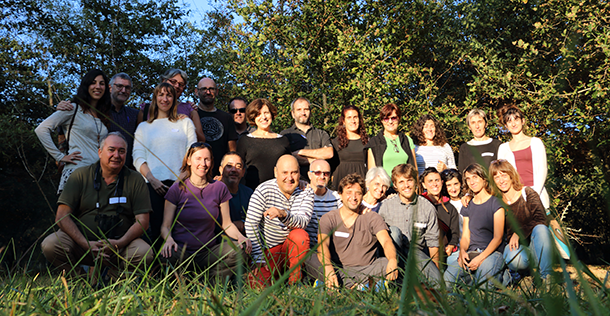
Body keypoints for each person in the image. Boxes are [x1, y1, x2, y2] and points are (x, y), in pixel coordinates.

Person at [41, 132, 152, 277]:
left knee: (145, 253)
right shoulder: (80, 175)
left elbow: (143, 221)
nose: (116, 155)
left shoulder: (135, 179)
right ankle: (79, 280)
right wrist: (85, 243)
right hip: (83, 244)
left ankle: (115, 282)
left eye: (122, 151)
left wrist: (119, 243)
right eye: (111, 150)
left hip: (120, 246)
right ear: (100, 152)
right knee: (50, 244)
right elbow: (61, 216)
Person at [160, 143, 251, 279]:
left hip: (208, 253)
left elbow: (227, 224)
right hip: (182, 252)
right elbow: (165, 226)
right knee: (166, 254)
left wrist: (240, 237)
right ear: (189, 161)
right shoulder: (177, 188)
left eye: (207, 159)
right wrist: (168, 240)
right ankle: (183, 283)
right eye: (198, 158)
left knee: (239, 251)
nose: (203, 163)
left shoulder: (219, 188)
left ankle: (211, 281)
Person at [133, 83, 197, 244]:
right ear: (155, 98)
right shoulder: (144, 127)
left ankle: (181, 268)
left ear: (174, 99)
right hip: (153, 186)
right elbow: (138, 156)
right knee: (155, 232)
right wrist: (152, 180)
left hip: (181, 185)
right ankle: (156, 268)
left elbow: (193, 153)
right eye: (161, 94)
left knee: (181, 231)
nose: (165, 99)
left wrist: (180, 180)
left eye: (169, 95)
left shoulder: (185, 123)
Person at [312, 173, 398, 289]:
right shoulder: (328, 218)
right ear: (340, 195)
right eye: (349, 192)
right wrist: (328, 267)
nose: (353, 197)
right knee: (310, 259)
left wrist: (392, 260)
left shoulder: (372, 217)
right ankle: (366, 285)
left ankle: (336, 283)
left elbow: (386, 241)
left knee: (388, 262)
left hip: (367, 268)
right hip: (337, 267)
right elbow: (323, 245)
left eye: (358, 193)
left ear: (363, 196)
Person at [35, 69, 110, 194]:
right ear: (86, 85)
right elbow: (41, 129)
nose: (98, 86)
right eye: (93, 82)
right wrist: (60, 157)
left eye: (101, 83)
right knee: (69, 212)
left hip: (98, 175)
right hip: (77, 173)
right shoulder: (72, 108)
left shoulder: (103, 114)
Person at [244, 155, 314, 288]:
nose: (290, 177)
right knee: (257, 288)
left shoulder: (306, 191)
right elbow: (251, 224)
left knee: (300, 235)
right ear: (276, 172)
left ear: (299, 173)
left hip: (292, 247)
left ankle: (295, 282)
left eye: (294, 172)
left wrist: (283, 214)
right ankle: (275, 278)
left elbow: (303, 222)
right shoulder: (263, 191)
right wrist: (258, 257)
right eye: (285, 173)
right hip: (268, 250)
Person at [56, 73, 139, 169]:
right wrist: (60, 157)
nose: (123, 90)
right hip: (97, 170)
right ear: (110, 88)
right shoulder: (94, 111)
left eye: (127, 88)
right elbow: (64, 131)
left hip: (127, 171)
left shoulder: (135, 115)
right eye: (119, 86)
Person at [378, 164, 443, 288]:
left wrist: (435, 270)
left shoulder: (427, 208)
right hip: (393, 255)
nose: (406, 185)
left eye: (409, 180)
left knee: (438, 285)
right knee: (394, 232)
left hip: (416, 254)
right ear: (395, 185)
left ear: (416, 182)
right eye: (401, 182)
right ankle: (393, 280)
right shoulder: (385, 207)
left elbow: (432, 242)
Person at [444, 163, 505, 290]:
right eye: (468, 178)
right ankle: (475, 278)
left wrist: (480, 259)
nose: (472, 181)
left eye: (475, 177)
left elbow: (498, 238)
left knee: (484, 287)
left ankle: (503, 276)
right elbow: (466, 236)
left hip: (491, 253)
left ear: (484, 179)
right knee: (447, 281)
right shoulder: (468, 205)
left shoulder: (496, 203)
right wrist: (462, 251)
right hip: (472, 252)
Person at [489, 159, 553, 280]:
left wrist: (519, 232)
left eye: (504, 175)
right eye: (496, 177)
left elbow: (541, 218)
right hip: (517, 249)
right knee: (516, 259)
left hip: (536, 243)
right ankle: (525, 274)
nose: (501, 180)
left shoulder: (527, 193)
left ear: (511, 175)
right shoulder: (496, 201)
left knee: (541, 229)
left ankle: (547, 278)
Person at [497, 106, 550, 209]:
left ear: (523, 121)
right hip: (515, 200)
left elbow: (543, 169)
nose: (513, 124)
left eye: (516, 119)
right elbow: (502, 175)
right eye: (509, 121)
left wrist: (533, 195)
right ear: (506, 126)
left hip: (538, 197)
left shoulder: (536, 142)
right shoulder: (503, 148)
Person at [137, 69, 206, 143]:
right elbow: (138, 140)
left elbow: (201, 140)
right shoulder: (146, 109)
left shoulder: (190, 109)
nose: (177, 86)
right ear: (164, 81)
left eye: (181, 84)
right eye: (173, 82)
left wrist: (188, 125)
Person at [236, 98, 291, 190]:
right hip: (251, 193)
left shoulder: (283, 140)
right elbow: (238, 166)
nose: (263, 117)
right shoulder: (245, 140)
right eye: (258, 114)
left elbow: (290, 167)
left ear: (272, 114)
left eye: (266, 113)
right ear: (253, 117)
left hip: (279, 193)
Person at [280, 97, 333, 180]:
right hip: (295, 183)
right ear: (293, 114)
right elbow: (286, 158)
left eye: (306, 109)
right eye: (299, 109)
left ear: (310, 112)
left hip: (319, 184)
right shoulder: (285, 135)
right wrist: (319, 159)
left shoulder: (321, 133)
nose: (303, 113)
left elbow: (329, 153)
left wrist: (300, 152)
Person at [196, 77, 238, 176]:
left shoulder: (226, 118)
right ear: (196, 92)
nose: (208, 92)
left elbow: (232, 150)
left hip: (219, 176)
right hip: (195, 175)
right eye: (204, 89)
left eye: (211, 89)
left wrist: (225, 174)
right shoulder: (191, 115)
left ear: (217, 91)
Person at [365, 103, 417, 183]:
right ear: (382, 121)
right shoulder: (374, 142)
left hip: (405, 189)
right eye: (386, 118)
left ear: (399, 119)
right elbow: (372, 174)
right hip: (384, 190)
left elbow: (414, 169)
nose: (390, 122)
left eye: (393, 118)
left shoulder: (407, 140)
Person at [420, 167, 460, 267]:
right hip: (423, 250)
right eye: (430, 181)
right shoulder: (419, 203)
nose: (434, 184)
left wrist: (451, 245)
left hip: (444, 251)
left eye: (437, 180)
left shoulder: (449, 207)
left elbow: (454, 232)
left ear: (442, 182)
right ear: (424, 184)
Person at [304, 159, 342, 247]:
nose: (322, 176)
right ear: (310, 175)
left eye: (326, 173)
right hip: (308, 248)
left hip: (330, 246)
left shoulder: (336, 197)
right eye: (317, 172)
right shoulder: (302, 196)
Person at [330, 105, 368, 190]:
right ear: (343, 121)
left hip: (361, 186)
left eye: (355, 117)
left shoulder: (367, 142)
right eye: (349, 117)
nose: (353, 121)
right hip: (341, 185)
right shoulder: (335, 142)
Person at [219, 151, 253, 235]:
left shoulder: (249, 193)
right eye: (229, 166)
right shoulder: (213, 192)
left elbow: (255, 223)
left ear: (243, 172)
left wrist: (243, 224)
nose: (234, 170)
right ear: (220, 170)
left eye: (238, 166)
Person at [441, 168, 464, 267]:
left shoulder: (466, 201)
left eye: (456, 184)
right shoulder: (444, 205)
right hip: (453, 248)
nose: (453, 189)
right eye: (449, 185)